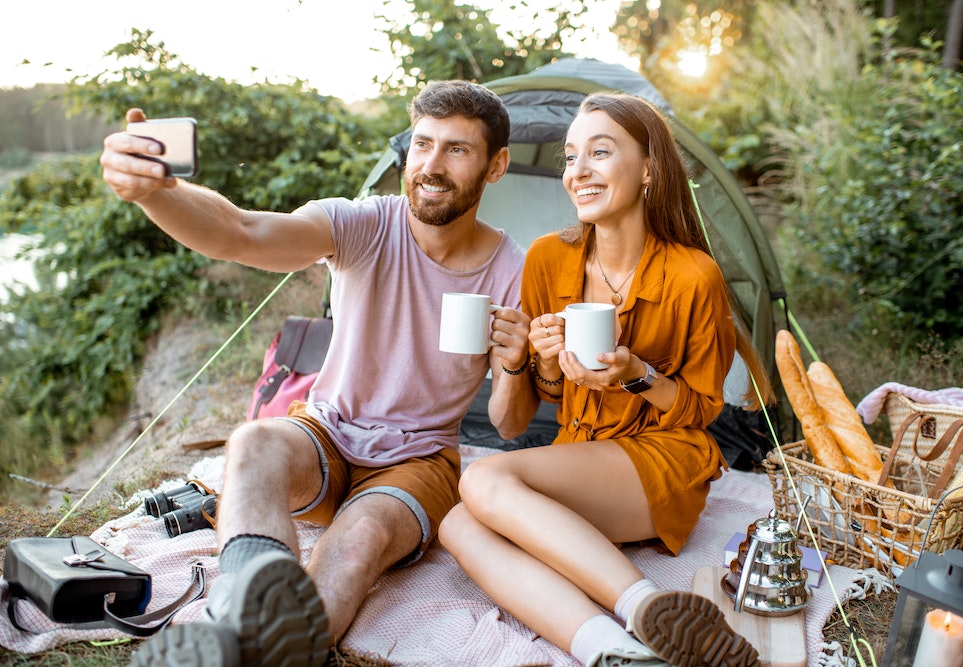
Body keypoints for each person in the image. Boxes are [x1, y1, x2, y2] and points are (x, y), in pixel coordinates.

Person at [100, 80, 538, 667]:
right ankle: (240, 611)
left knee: (359, 539)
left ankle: (255, 649)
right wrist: (156, 193)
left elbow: (510, 426)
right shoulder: (362, 225)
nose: (430, 165)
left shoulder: (516, 269)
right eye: (422, 144)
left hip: (419, 461)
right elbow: (239, 232)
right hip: (326, 433)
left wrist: (513, 361)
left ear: (496, 165)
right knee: (254, 440)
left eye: (456, 149)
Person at [438, 92, 774, 667]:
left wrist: (637, 374)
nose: (579, 171)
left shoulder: (694, 275)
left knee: (485, 481)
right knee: (458, 525)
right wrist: (533, 358)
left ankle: (645, 604)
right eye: (570, 157)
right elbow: (543, 397)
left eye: (599, 152)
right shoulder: (547, 259)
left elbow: (700, 411)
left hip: (664, 455)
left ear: (648, 169)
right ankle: (613, 651)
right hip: (582, 452)